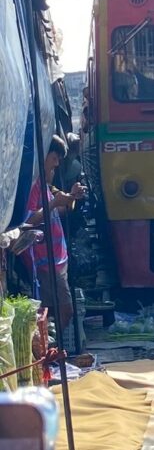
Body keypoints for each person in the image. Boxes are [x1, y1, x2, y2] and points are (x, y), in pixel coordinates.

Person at [25, 135, 86, 333]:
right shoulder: (34, 187)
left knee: (54, 310)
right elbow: (28, 220)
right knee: (64, 310)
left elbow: (56, 211)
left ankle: (54, 346)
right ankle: (55, 349)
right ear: (43, 155)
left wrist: (70, 197)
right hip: (47, 259)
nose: (57, 163)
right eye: (54, 158)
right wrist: (55, 203)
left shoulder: (44, 185)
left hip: (59, 258)